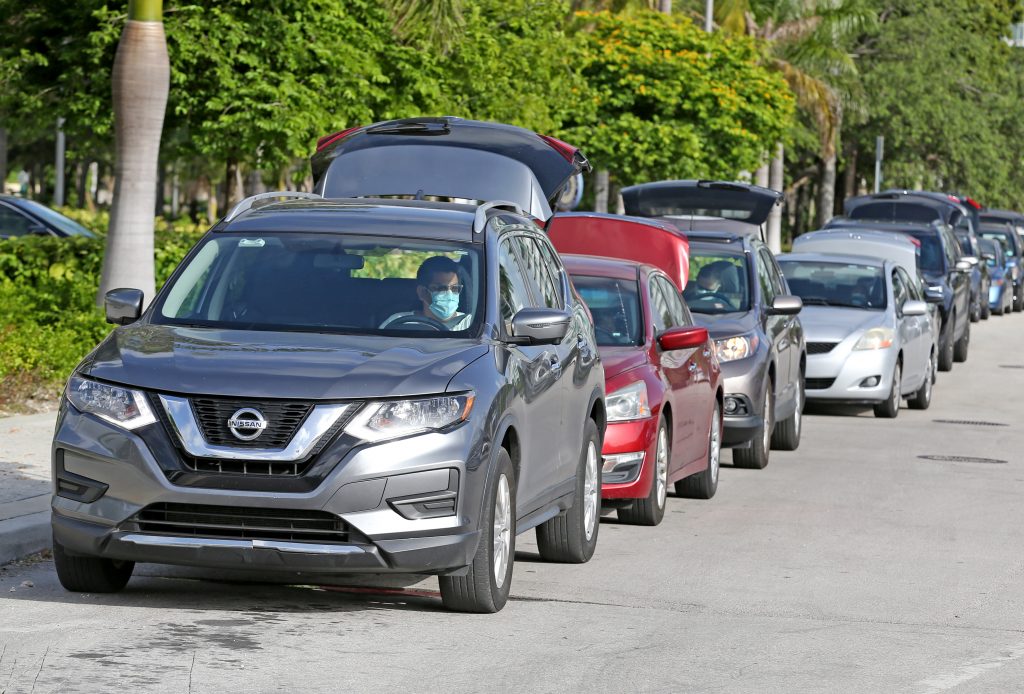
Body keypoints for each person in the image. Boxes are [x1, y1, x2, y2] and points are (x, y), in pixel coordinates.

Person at [380, 256, 473, 330]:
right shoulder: (399, 323)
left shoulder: (470, 324)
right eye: (441, 288)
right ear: (422, 292)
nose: (449, 294)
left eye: (454, 289)